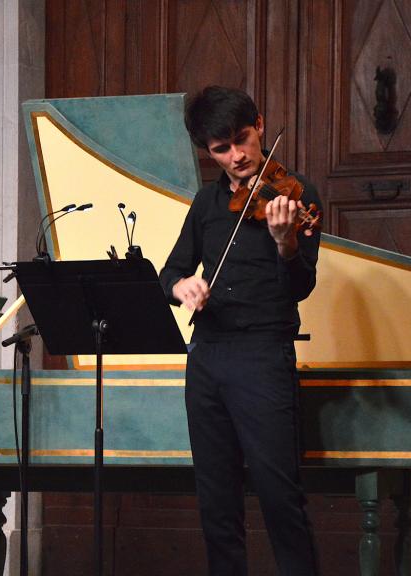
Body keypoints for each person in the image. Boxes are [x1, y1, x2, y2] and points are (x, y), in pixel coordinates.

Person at [159, 86, 321, 576]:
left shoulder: (297, 196)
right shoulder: (206, 203)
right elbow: (169, 272)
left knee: (279, 497)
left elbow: (301, 287)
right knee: (216, 501)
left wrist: (284, 242)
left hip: (263, 356)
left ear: (260, 125)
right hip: (206, 356)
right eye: (221, 149)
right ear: (208, 153)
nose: (238, 156)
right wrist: (182, 286)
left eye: (243, 139)